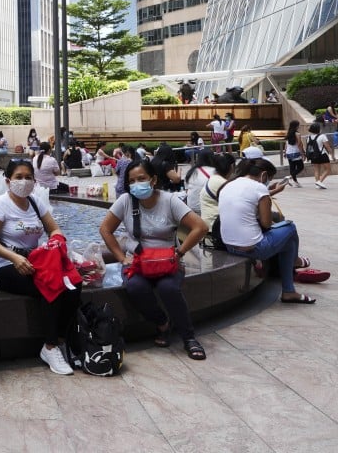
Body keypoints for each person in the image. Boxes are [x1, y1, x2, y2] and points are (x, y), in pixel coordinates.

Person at [99, 159, 209, 360]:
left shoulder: (169, 200)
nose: (136, 184)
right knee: (135, 287)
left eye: (141, 179)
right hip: (138, 262)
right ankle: (162, 323)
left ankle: (189, 337)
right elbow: (105, 229)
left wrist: (180, 252)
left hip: (167, 262)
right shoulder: (125, 201)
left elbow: (200, 227)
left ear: (153, 179)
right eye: (132, 181)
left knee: (169, 288)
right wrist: (122, 258)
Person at [0, 160, 79, 376]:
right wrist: (14, 258)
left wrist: (56, 241)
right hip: (6, 266)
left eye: (29, 177)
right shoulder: (0, 205)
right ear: (8, 181)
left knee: (74, 283)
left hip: (35, 263)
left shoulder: (36, 202)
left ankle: (61, 341)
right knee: (50, 285)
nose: (24, 181)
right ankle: (49, 348)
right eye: (19, 177)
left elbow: (54, 229)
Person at [217, 158, 316, 304]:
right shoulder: (259, 188)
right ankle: (295, 261)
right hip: (253, 248)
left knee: (288, 245)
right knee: (290, 227)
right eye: (268, 179)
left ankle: (289, 291)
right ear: (263, 175)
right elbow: (266, 223)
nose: (267, 183)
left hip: (230, 246)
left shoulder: (228, 185)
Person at [199, 153, 237, 231]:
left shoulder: (214, 179)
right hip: (216, 229)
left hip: (209, 225)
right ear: (232, 166)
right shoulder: (222, 183)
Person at [183, 150, 216, 215]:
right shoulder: (215, 172)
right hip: (205, 209)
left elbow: (187, 191)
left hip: (191, 208)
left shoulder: (191, 172)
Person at [306, 122, 335, 189]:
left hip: (313, 155)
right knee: (328, 170)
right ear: (318, 129)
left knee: (317, 170)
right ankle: (319, 182)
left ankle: (317, 183)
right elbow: (328, 147)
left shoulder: (308, 137)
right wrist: (332, 155)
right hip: (322, 155)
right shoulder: (322, 136)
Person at [284, 120, 305, 187]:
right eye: (298, 125)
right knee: (301, 167)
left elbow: (286, 144)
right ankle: (290, 177)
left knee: (292, 168)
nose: (299, 126)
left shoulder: (288, 133)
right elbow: (299, 144)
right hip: (295, 153)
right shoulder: (297, 134)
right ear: (296, 126)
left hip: (288, 153)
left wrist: (285, 152)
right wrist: (302, 154)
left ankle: (296, 183)